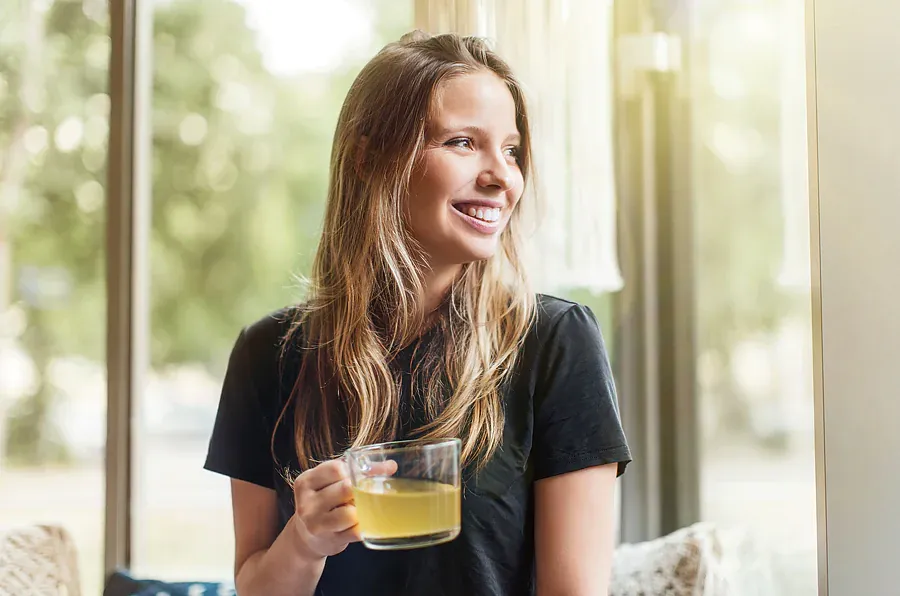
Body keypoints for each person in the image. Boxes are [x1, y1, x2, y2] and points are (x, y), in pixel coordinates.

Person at [204, 30, 631, 596]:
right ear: (369, 158)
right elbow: (253, 586)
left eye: (510, 149)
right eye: (462, 142)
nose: (502, 177)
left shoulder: (554, 342)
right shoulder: (269, 354)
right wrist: (304, 542)